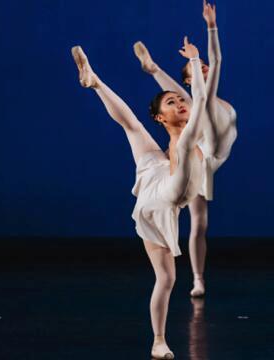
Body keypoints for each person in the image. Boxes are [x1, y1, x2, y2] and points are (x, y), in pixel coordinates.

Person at [71, 36, 207, 359]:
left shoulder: (168, 148)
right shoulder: (185, 140)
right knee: (167, 278)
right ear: (160, 117)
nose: (179, 103)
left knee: (166, 278)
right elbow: (199, 100)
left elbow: (190, 104)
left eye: (179, 99)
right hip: (164, 191)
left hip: (157, 183)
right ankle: (158, 340)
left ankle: (95, 82)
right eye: (171, 103)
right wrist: (197, 62)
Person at [133, 0, 237, 298]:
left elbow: (215, 61)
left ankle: (153, 68)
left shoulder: (204, 94)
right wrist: (202, 44)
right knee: (197, 222)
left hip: (211, 154)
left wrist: (211, 26)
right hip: (199, 154)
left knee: (200, 223)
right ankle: (197, 278)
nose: (204, 66)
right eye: (197, 68)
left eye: (203, 65)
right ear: (191, 78)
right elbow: (211, 64)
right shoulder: (192, 102)